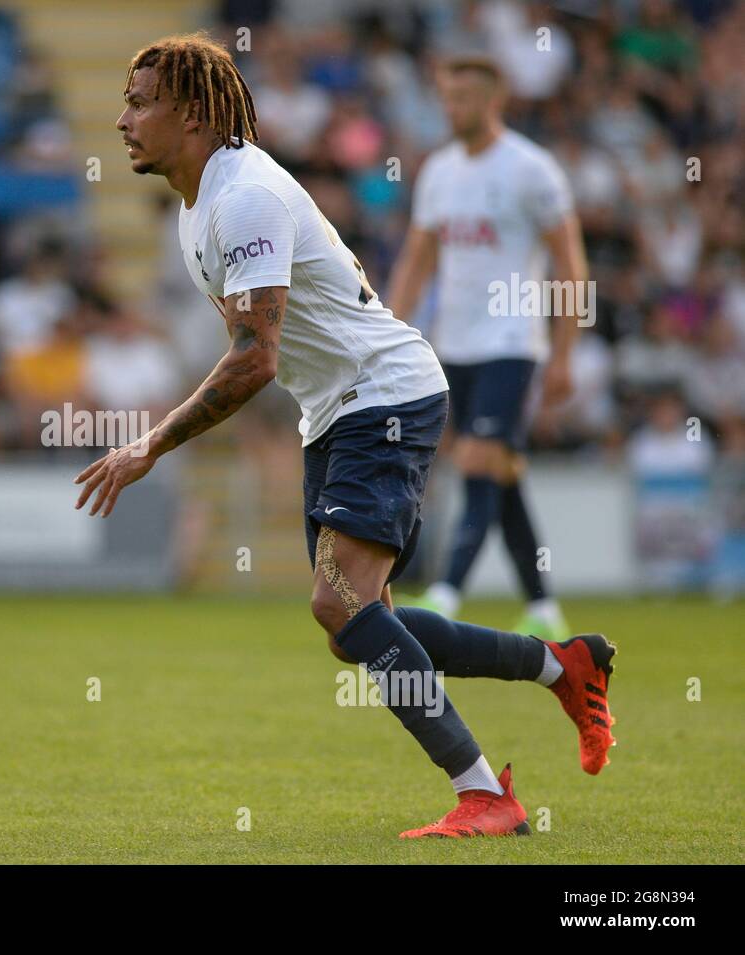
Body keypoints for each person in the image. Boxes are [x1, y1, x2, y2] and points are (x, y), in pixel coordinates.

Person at [72, 33, 616, 838]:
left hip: (382, 397)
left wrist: (149, 443)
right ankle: (561, 663)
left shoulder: (243, 197)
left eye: (140, 102)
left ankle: (485, 793)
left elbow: (255, 357)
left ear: (190, 116)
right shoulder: (198, 206)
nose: (122, 119)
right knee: (359, 625)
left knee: (340, 602)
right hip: (335, 407)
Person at [387, 55, 589, 641]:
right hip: (454, 341)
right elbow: (417, 260)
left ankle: (446, 594)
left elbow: (571, 263)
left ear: (493, 100)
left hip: (511, 339)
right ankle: (544, 606)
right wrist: (389, 334)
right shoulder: (439, 172)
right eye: (446, 98)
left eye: (464, 99)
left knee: (477, 460)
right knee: (499, 469)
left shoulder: (532, 168)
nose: (452, 109)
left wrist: (565, 351)